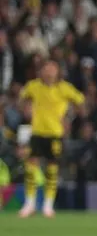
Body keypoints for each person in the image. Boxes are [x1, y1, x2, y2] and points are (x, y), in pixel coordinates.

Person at [18, 60, 85, 218]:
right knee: (31, 167)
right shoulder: (33, 86)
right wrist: (26, 110)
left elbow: (81, 101)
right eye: (46, 69)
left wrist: (70, 119)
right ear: (41, 71)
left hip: (55, 133)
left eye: (52, 69)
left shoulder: (64, 88)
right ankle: (30, 203)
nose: (49, 72)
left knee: (51, 169)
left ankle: (48, 205)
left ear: (57, 72)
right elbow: (22, 99)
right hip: (37, 132)